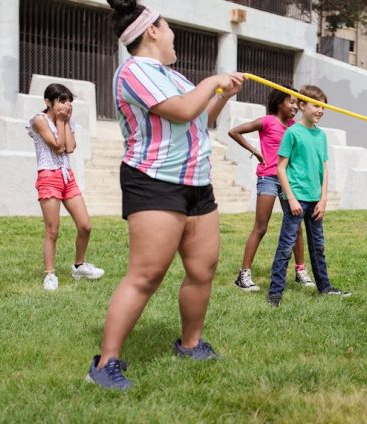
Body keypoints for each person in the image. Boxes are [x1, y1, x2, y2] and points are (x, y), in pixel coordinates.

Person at [87, 0, 244, 391]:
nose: (174, 36)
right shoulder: (133, 71)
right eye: (170, 28)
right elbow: (180, 112)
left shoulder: (170, 75)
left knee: (203, 269)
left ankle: (190, 344)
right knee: (147, 274)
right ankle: (105, 363)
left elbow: (202, 117)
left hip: (196, 181)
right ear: (153, 30)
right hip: (154, 181)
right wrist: (212, 81)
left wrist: (222, 94)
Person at [267, 85, 350, 307]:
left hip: (315, 199)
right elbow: (280, 168)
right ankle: (275, 293)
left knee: (318, 246)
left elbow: (324, 169)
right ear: (302, 105)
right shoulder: (292, 133)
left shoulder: (321, 136)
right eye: (316, 105)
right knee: (286, 246)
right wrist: (291, 198)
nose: (320, 110)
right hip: (296, 198)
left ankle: (325, 287)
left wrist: (323, 199)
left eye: (323, 106)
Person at [228, 88, 314, 292]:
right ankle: (244, 275)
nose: (295, 106)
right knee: (261, 227)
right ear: (279, 103)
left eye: (297, 103)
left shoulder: (295, 127)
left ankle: (300, 271)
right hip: (268, 178)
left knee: (296, 227)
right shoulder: (267, 121)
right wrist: (256, 151)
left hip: (290, 181)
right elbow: (234, 132)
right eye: (291, 102)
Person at [27, 83, 104, 291]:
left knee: (85, 225)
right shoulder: (39, 120)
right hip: (48, 176)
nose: (67, 105)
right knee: (52, 230)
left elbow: (69, 148)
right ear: (48, 102)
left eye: (69, 100)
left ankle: (79, 266)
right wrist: (61, 121)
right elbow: (57, 146)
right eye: (62, 100)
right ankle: (50, 274)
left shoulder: (68, 121)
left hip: (66, 176)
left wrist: (65, 121)